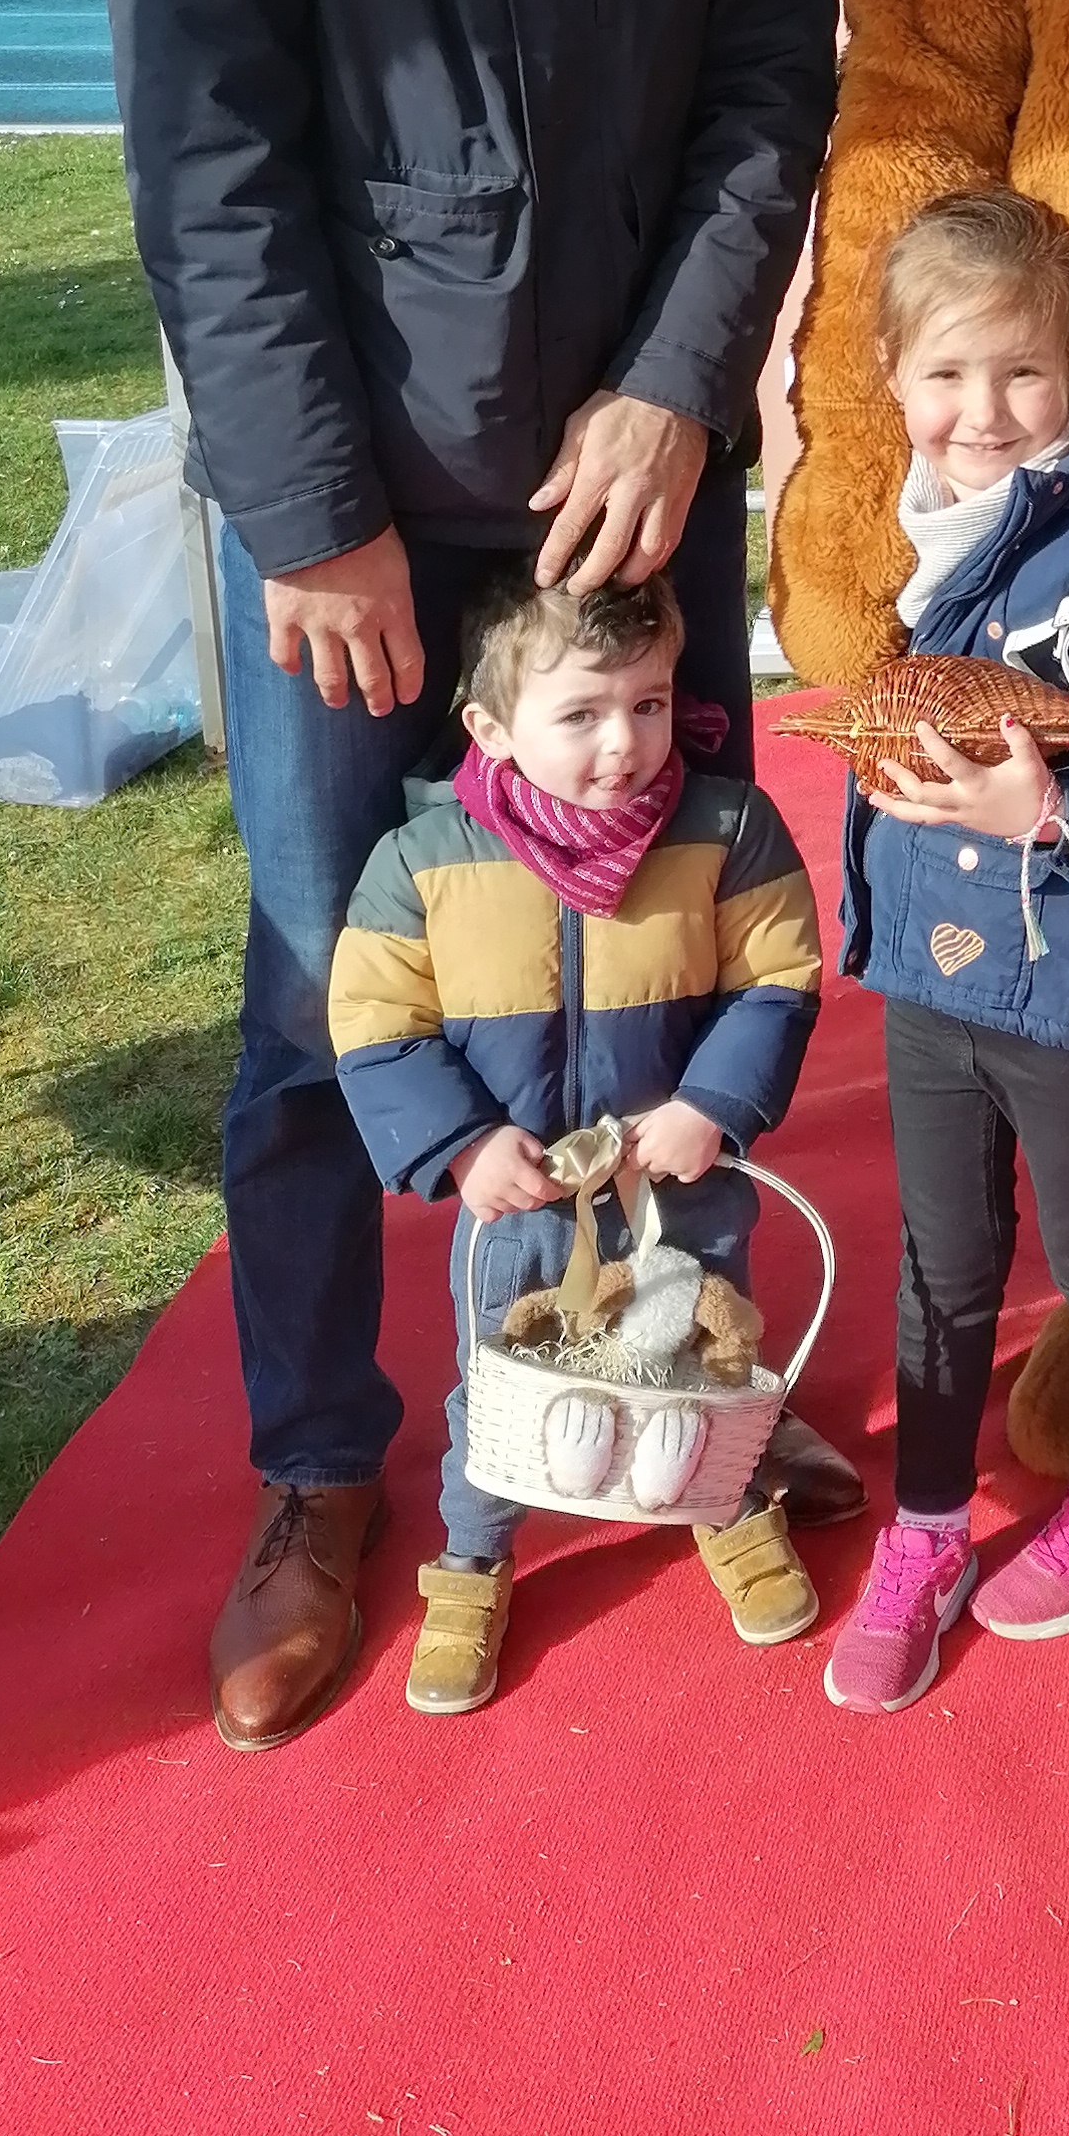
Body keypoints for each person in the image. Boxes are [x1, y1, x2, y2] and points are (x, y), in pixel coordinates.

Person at [102, 0, 842, 1752]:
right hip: (357, 504)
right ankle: (329, 1468)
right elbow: (210, 136)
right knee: (342, 990)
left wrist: (675, 390)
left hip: (625, 497)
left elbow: (770, 81)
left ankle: (679, 1386)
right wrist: (307, 511)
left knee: (666, 955)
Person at [821, 194, 1069, 1713]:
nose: (982, 413)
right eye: (947, 373)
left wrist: (1053, 804)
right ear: (892, 374)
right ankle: (927, 1528)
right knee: (941, 1262)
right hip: (932, 972)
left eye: (1021, 375)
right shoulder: (905, 531)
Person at [328, 567, 826, 1712]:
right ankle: (472, 1556)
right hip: (521, 1203)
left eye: (649, 703)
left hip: (677, 1181)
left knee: (702, 1356)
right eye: (583, 713)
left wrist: (711, 1104)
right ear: (492, 729)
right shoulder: (420, 864)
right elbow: (376, 1019)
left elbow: (776, 977)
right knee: (504, 1379)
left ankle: (725, 1502)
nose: (625, 743)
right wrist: (462, 1144)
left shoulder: (727, 829)